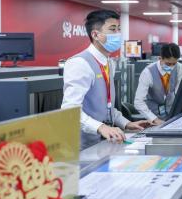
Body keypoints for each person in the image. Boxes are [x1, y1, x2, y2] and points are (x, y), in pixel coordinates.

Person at [61, 10, 151, 150]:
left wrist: (126, 123)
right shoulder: (80, 63)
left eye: (118, 29)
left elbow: (107, 107)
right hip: (82, 147)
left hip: (103, 143)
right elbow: (70, 110)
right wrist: (101, 127)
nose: (118, 34)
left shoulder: (109, 62)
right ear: (95, 35)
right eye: (112, 29)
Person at [134, 43, 182, 123]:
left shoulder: (179, 67)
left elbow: (178, 93)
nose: (171, 67)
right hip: (152, 114)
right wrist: (154, 119)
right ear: (160, 58)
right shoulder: (148, 72)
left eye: (174, 64)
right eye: (168, 64)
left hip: (170, 112)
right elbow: (138, 102)